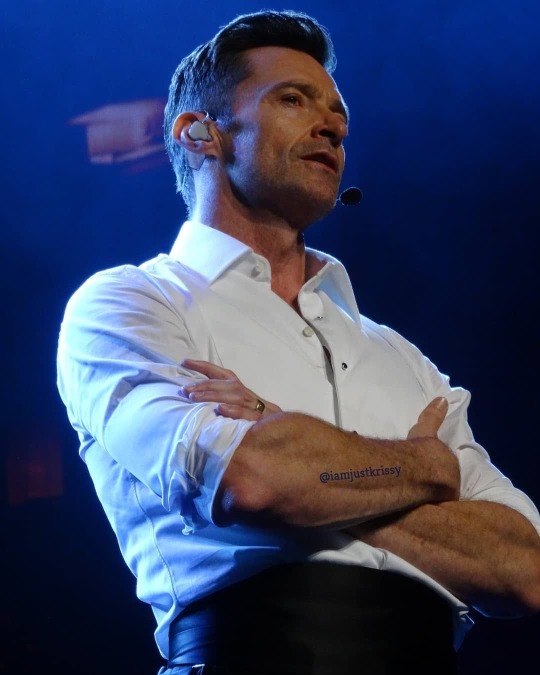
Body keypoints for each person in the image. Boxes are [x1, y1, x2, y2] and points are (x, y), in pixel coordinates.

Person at [57, 10, 540, 675]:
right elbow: (254, 480)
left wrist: (292, 448)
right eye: (293, 99)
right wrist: (427, 471)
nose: (333, 126)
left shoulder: (402, 359)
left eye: (338, 113)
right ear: (200, 132)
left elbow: (524, 570)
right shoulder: (131, 303)